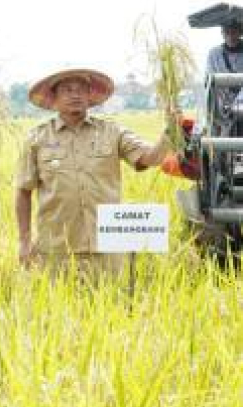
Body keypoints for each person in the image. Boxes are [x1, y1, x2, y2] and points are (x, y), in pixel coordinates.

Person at [15, 68, 172, 279]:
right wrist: (24, 241)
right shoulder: (37, 138)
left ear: (89, 95)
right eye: (68, 90)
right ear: (55, 97)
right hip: (57, 249)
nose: (75, 95)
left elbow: (151, 157)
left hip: (107, 247)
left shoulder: (112, 132)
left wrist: (171, 130)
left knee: (109, 306)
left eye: (81, 89)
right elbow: (23, 191)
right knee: (58, 308)